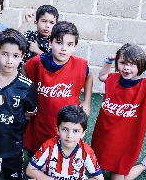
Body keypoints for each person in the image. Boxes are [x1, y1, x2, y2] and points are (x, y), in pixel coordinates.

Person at [91, 43, 146, 180]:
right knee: (97, 166)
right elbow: (102, 75)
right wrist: (108, 61)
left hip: (126, 143)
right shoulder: (113, 79)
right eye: (122, 62)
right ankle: (145, 163)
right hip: (105, 136)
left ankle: (144, 165)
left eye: (132, 64)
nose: (126, 67)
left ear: (141, 66)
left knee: (117, 176)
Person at [22, 21, 93, 155]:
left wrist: (87, 101)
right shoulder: (38, 62)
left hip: (68, 121)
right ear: (50, 42)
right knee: (40, 152)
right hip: (43, 119)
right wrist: (27, 96)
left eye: (69, 44)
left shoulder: (80, 64)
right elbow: (25, 68)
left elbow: (89, 76)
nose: (64, 48)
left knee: (64, 152)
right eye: (59, 43)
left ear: (75, 46)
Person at [0, 28, 38, 180]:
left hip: (13, 147)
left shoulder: (26, 86)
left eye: (15, 56)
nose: (9, 61)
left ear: (22, 57)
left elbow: (30, 112)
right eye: (5, 54)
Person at [26, 105, 104, 180]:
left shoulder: (86, 151)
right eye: (65, 129)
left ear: (83, 133)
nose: (69, 135)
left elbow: (99, 178)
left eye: (75, 131)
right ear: (57, 130)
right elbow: (30, 170)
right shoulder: (48, 146)